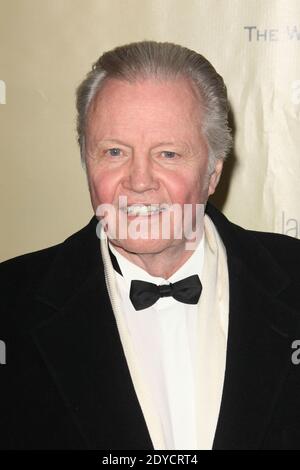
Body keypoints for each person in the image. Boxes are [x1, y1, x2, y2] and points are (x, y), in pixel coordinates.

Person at [1, 41, 300, 450]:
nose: (139, 181)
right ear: (86, 160)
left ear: (213, 172)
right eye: (114, 151)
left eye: (168, 153)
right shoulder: (9, 304)